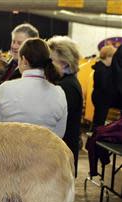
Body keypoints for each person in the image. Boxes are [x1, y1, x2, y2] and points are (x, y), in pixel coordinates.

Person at [0, 38, 67, 202]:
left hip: (7, 164)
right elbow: (59, 136)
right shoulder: (58, 92)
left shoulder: (6, 89)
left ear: (24, 60)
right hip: (42, 166)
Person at [48, 35, 83, 177]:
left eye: (51, 61)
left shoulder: (67, 87)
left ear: (64, 63)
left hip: (62, 157)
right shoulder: (67, 83)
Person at [90, 45, 118, 131]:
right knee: (98, 121)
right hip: (101, 98)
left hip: (100, 97)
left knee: (98, 120)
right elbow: (105, 86)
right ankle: (95, 137)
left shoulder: (102, 67)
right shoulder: (101, 69)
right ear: (108, 56)